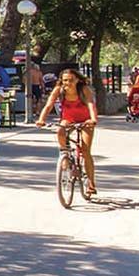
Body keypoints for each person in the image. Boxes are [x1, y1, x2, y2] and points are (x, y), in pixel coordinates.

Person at [37, 66, 98, 198]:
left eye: (71, 80)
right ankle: (64, 153)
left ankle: (91, 183)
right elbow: (49, 105)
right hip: (68, 119)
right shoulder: (59, 90)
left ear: (77, 80)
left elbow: (90, 104)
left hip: (85, 120)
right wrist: (41, 119)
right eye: (65, 80)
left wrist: (93, 119)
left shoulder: (83, 89)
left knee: (85, 151)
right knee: (60, 130)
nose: (67, 83)